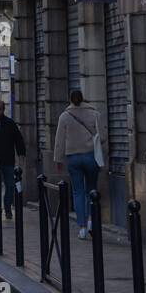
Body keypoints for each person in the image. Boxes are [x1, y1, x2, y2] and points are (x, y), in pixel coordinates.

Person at [54, 89, 104, 238]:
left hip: (73, 158)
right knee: (91, 190)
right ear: (83, 98)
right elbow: (103, 136)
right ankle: (91, 221)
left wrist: (58, 159)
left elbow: (59, 140)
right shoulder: (94, 114)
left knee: (77, 192)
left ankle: (81, 227)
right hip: (90, 156)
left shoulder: (64, 117)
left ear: (70, 100)